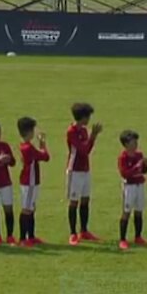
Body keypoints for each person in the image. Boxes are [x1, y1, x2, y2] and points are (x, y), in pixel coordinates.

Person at [66, 102, 103, 245]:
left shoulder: (83, 130)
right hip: (74, 170)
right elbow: (83, 151)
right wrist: (93, 136)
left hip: (85, 169)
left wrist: (91, 137)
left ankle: (84, 230)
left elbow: (87, 150)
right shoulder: (72, 131)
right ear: (82, 117)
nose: (89, 120)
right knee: (74, 201)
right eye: (88, 116)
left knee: (85, 199)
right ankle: (73, 233)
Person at [17, 116, 49, 247]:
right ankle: (22, 238)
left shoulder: (26, 146)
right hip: (29, 182)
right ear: (29, 131)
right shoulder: (28, 148)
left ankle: (31, 236)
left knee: (31, 208)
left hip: (33, 181)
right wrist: (43, 144)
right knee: (26, 209)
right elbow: (45, 156)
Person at [117, 130, 147, 250]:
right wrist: (137, 167)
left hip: (140, 184)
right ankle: (123, 239)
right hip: (129, 186)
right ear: (126, 144)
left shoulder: (139, 155)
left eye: (136, 141)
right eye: (133, 142)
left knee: (139, 210)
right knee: (126, 211)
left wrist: (145, 165)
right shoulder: (123, 157)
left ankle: (138, 236)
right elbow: (124, 174)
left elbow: (144, 171)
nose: (135, 144)